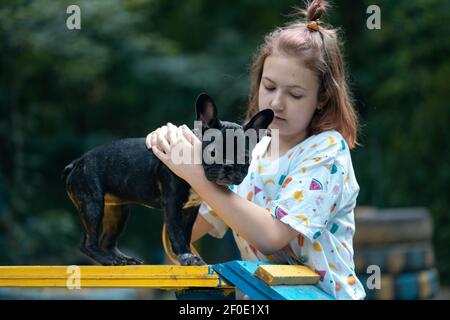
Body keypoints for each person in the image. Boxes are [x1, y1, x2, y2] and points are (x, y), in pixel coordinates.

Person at [146, 0, 366, 300]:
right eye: (270, 86)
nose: (277, 103)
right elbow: (181, 234)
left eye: (295, 94)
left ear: (322, 98)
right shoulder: (247, 149)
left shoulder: (326, 151)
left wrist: (197, 173)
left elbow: (271, 237)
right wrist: (177, 158)